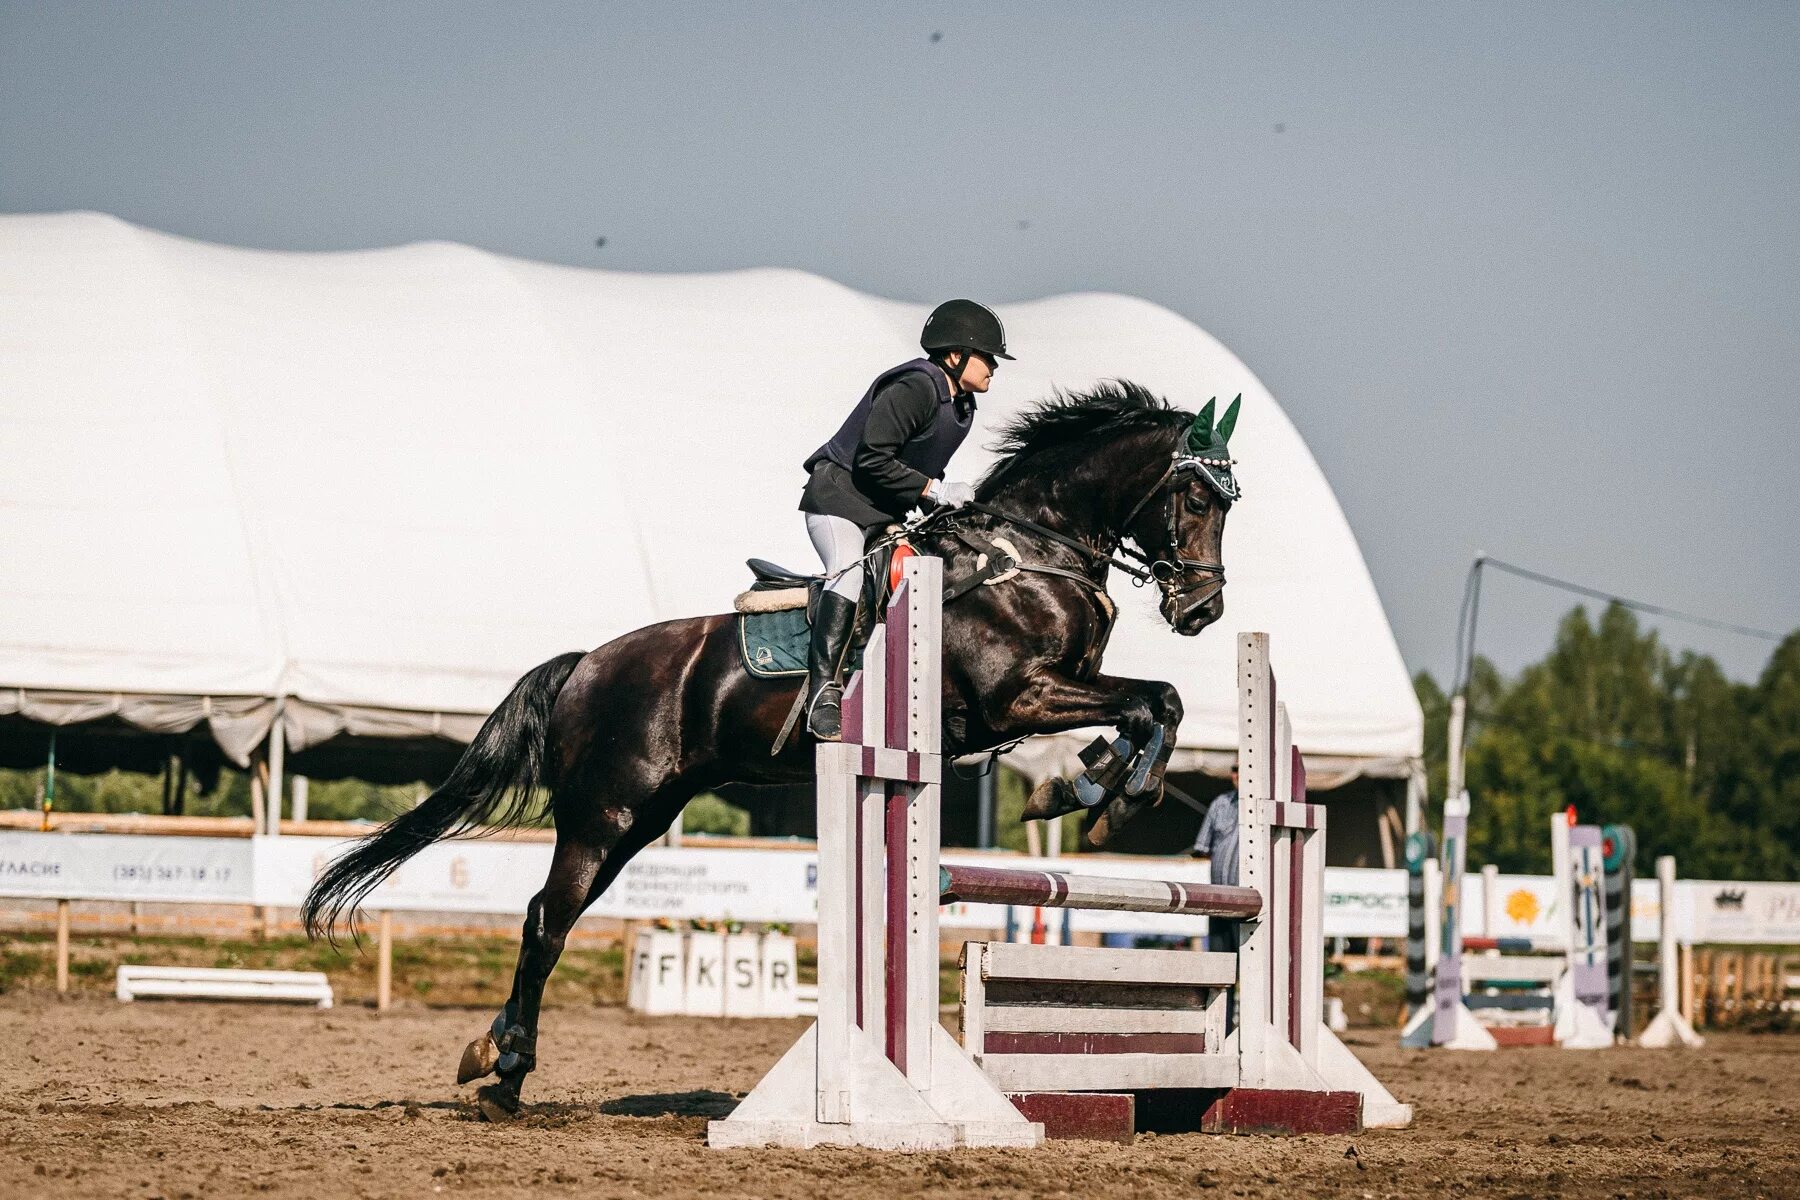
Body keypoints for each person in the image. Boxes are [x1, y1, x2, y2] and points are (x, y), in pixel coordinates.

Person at [797, 298, 1013, 740]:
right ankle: (823, 693)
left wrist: (948, 505)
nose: (994, 366)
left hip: (882, 514)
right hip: (838, 500)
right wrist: (935, 491)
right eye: (987, 356)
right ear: (956, 355)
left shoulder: (962, 408)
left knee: (928, 580)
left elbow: (915, 473)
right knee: (848, 575)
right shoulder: (917, 386)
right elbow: (873, 460)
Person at [1191, 761, 1240, 955]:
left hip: (1249, 902)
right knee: (1219, 965)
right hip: (1218, 898)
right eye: (1235, 769)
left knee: (1249, 967)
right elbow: (1203, 847)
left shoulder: (1268, 807)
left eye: (1245, 768)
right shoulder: (1221, 803)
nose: (1238, 774)